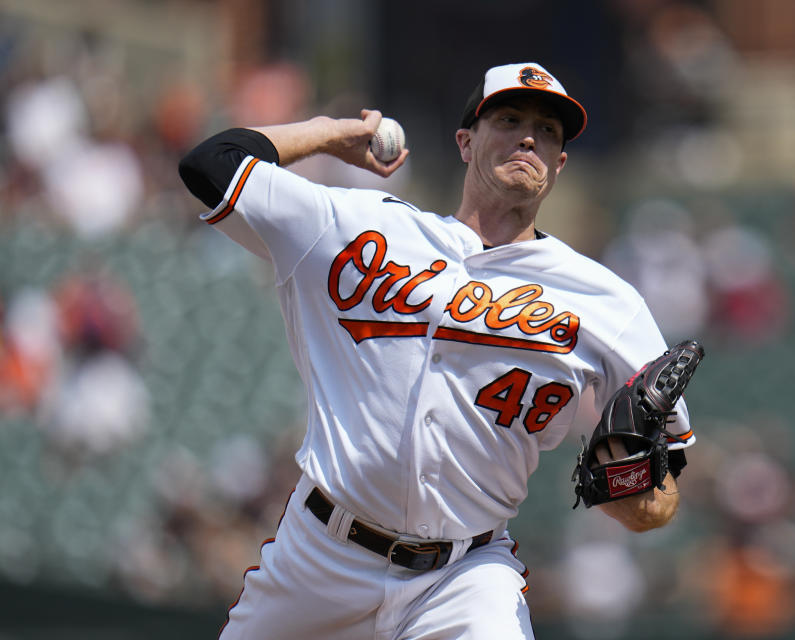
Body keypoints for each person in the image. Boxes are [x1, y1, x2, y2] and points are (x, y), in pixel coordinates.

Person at [179, 62, 694, 640]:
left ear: (559, 164)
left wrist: (627, 482)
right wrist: (329, 132)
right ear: (465, 141)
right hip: (319, 559)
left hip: (465, 577)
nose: (529, 136)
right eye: (509, 119)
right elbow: (209, 165)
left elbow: (658, 499)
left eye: (549, 132)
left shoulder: (607, 303)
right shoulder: (354, 224)